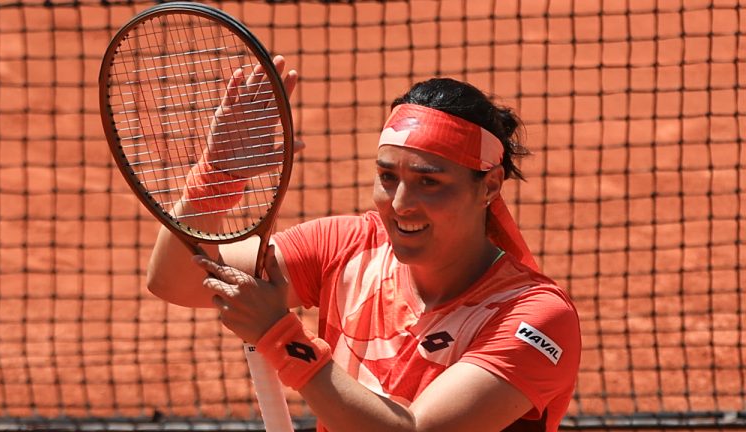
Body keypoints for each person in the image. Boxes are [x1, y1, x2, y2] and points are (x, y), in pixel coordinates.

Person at [147, 56, 581, 432]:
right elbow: (176, 280)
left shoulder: (534, 317)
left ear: (488, 186)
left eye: (429, 181)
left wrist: (279, 336)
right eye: (388, 177)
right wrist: (216, 179)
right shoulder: (348, 245)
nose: (401, 204)